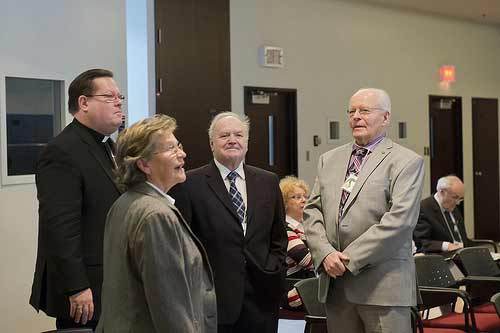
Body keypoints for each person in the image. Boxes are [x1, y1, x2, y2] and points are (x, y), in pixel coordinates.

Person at [304, 88, 424, 333]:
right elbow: (312, 211)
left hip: (383, 288)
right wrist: (325, 254)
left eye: (365, 111)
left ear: (386, 117)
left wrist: (347, 260)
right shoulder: (329, 159)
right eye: (352, 111)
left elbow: (399, 222)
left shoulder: (406, 162)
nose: (356, 117)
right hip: (337, 287)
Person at [96, 114, 216, 332]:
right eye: (171, 149)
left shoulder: (125, 202)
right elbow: (170, 308)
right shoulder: (157, 215)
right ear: (144, 164)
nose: (182, 154)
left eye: (178, 145)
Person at [170, 112, 287, 333]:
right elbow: (183, 243)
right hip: (214, 299)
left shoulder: (268, 181)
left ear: (247, 142)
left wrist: (273, 268)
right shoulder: (190, 184)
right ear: (211, 143)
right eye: (224, 135)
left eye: (239, 135)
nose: (232, 140)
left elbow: (278, 237)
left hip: (262, 297)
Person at [30, 69, 123, 329]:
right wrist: (78, 286)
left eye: (120, 97)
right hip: (85, 290)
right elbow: (60, 227)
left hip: (110, 283)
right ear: (83, 103)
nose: (118, 102)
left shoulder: (109, 145)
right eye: (109, 96)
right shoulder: (62, 151)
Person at [279, 176, 315, 310]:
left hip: (307, 284)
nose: (304, 200)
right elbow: (308, 261)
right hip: (293, 291)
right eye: (296, 197)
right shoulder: (284, 228)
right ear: (285, 202)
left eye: (305, 196)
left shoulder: (304, 226)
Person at [413, 175, 469, 253]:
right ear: (442, 192)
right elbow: (421, 243)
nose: (458, 202)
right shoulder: (424, 208)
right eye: (455, 197)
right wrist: (446, 246)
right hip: (442, 258)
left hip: (462, 253)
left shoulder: (452, 206)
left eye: (460, 199)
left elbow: (463, 238)